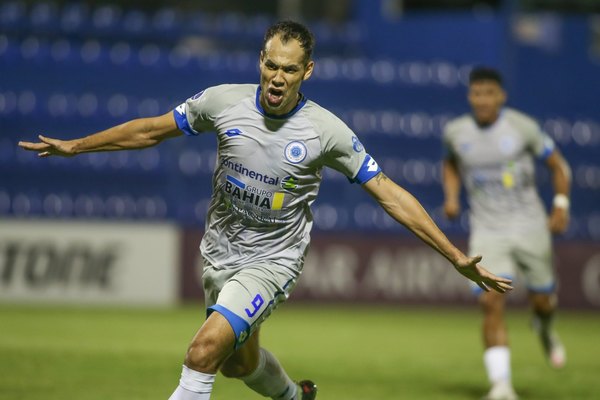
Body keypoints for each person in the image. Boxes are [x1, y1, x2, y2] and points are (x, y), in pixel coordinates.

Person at [19, 21, 512, 400]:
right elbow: (149, 130)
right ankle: (295, 396)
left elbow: (387, 192)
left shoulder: (327, 131)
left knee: (203, 351)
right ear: (260, 60)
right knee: (237, 363)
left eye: (290, 69)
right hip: (218, 255)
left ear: (308, 71)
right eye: (271, 65)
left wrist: (452, 255)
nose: (278, 78)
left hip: (272, 263)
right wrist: (78, 146)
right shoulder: (222, 102)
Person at [441, 67, 571, 400]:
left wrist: (560, 204)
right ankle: (501, 385)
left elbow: (558, 166)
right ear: (470, 96)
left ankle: (544, 326)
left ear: (501, 96)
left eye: (489, 93)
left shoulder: (522, 127)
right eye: (476, 93)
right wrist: (452, 196)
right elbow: (451, 163)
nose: (482, 100)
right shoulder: (456, 132)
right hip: (488, 230)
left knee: (542, 301)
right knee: (490, 301)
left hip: (529, 226)